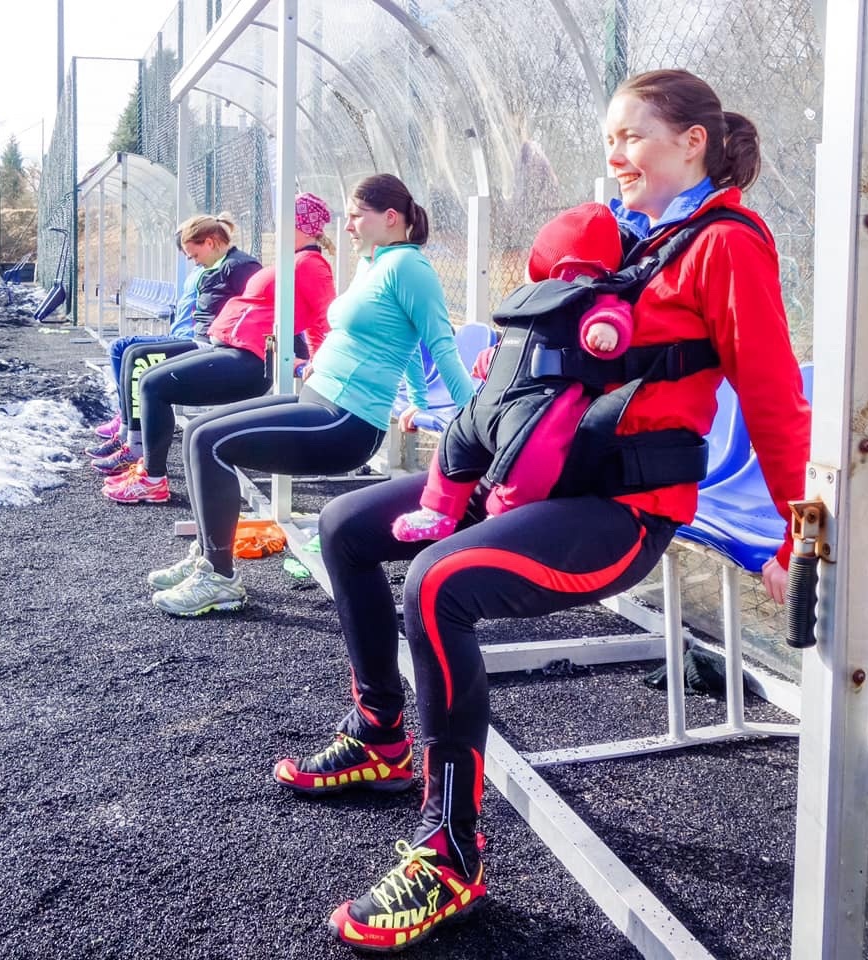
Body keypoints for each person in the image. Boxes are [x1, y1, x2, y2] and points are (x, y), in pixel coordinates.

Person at [271, 69, 812, 952]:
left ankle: (451, 852)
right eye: (610, 138)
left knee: (439, 585)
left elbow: (774, 398)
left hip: (623, 508)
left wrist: (794, 529)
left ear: (693, 142)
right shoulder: (623, 241)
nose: (616, 154)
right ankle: (379, 734)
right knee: (348, 529)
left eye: (632, 136)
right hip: (535, 478)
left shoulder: (727, 244)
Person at [147, 174, 476, 614]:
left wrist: (474, 420)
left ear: (390, 217)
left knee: (211, 443)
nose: (347, 225)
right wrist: (415, 396)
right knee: (197, 432)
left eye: (356, 216)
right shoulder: (373, 263)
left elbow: (438, 344)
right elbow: (406, 338)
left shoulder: (409, 268)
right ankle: (209, 554)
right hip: (319, 398)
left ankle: (219, 578)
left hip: (347, 421)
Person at [392, 201, 633, 542]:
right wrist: (493, 358)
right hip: (492, 401)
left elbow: (615, 314)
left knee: (534, 457)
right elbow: (518, 340)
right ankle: (437, 510)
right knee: (454, 442)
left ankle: (503, 517)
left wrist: (605, 329)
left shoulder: (595, 295)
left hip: (541, 404)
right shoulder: (531, 299)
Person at [102, 193, 337, 504]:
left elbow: (323, 319)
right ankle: (148, 470)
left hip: (249, 361)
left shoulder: (311, 264)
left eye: (284, 221)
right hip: (229, 348)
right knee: (148, 377)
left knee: (154, 385)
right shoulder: (294, 260)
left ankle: (153, 479)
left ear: (301, 226)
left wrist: (315, 364)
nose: (277, 228)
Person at [86, 213, 261, 475]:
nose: (194, 261)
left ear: (210, 242)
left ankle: (136, 447)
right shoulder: (218, 265)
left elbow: (261, 309)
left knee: (139, 358)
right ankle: (127, 433)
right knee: (128, 350)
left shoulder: (241, 267)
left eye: (194, 255)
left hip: (213, 346)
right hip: (202, 340)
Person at [88, 236, 202, 445]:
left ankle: (132, 423)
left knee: (126, 350)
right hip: (179, 334)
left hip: (190, 340)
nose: (190, 258)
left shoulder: (216, 271)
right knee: (119, 348)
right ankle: (126, 416)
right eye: (187, 254)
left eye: (192, 253)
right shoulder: (199, 270)